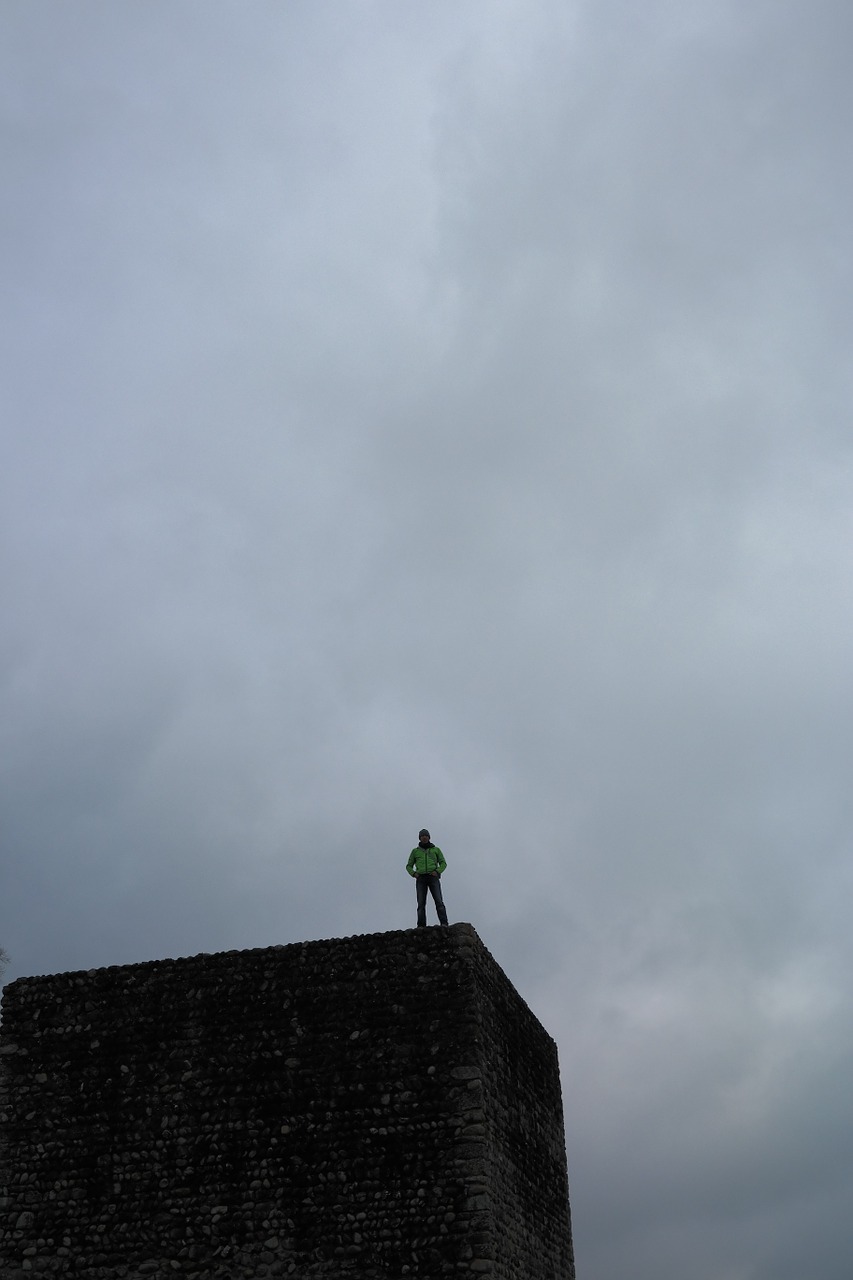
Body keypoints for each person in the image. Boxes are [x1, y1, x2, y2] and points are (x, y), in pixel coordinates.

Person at [406, 828, 449, 928]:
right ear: (420, 838)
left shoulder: (436, 849)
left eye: (426, 835)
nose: (424, 837)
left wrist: (437, 871)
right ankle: (421, 926)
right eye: (422, 836)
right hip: (421, 878)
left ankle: (444, 923)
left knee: (438, 901)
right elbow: (408, 865)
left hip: (433, 877)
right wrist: (414, 873)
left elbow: (443, 863)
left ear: (429, 837)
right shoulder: (415, 851)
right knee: (421, 903)